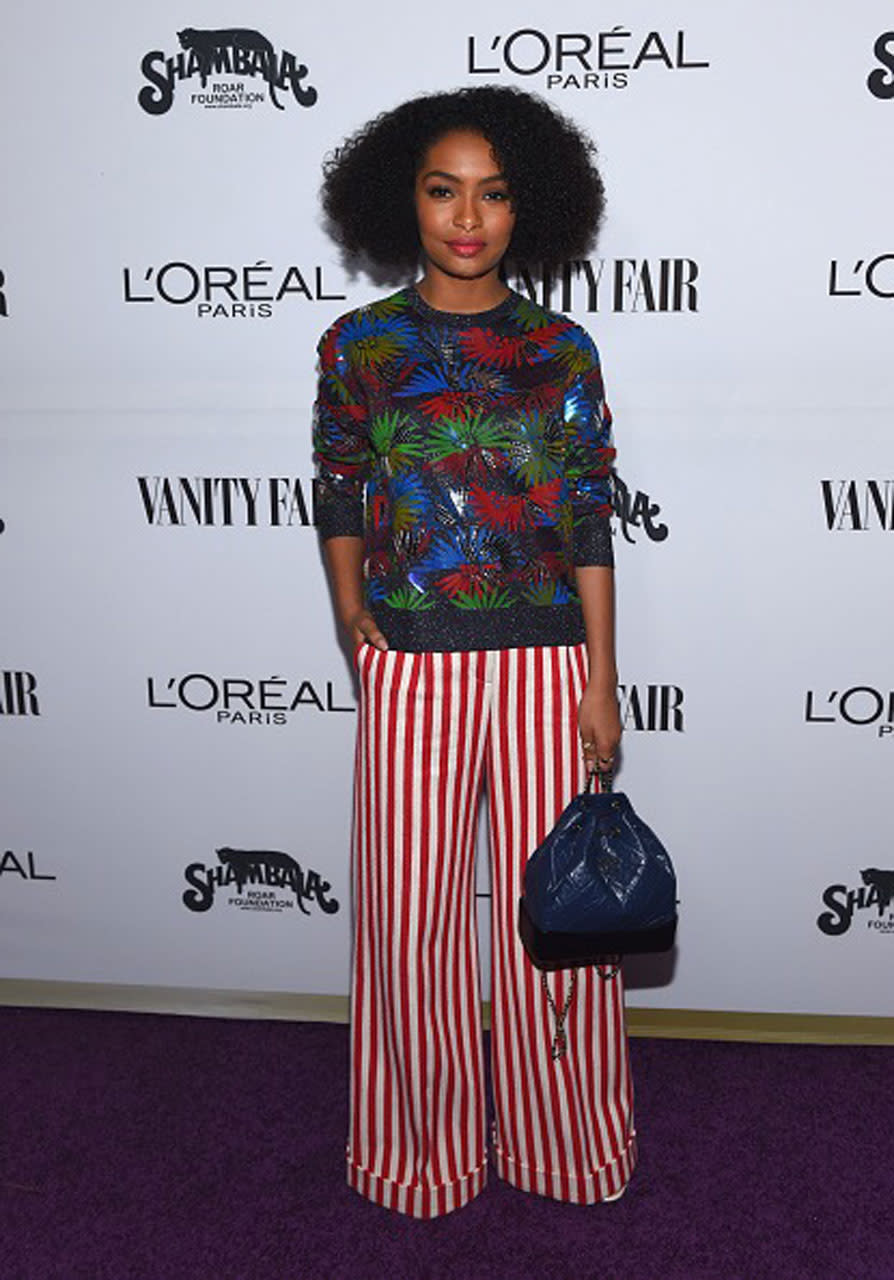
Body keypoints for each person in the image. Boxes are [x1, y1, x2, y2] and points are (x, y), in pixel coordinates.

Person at [313, 85, 635, 1219]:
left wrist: (600, 675)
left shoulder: (562, 350)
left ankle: (568, 1145)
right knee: (411, 921)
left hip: (548, 665)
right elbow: (340, 479)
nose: (467, 216)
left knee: (562, 919)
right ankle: (419, 1154)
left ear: (527, 207)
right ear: (403, 198)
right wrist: (354, 607)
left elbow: (588, 512)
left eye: (493, 194)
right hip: (413, 664)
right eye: (444, 189)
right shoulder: (361, 343)